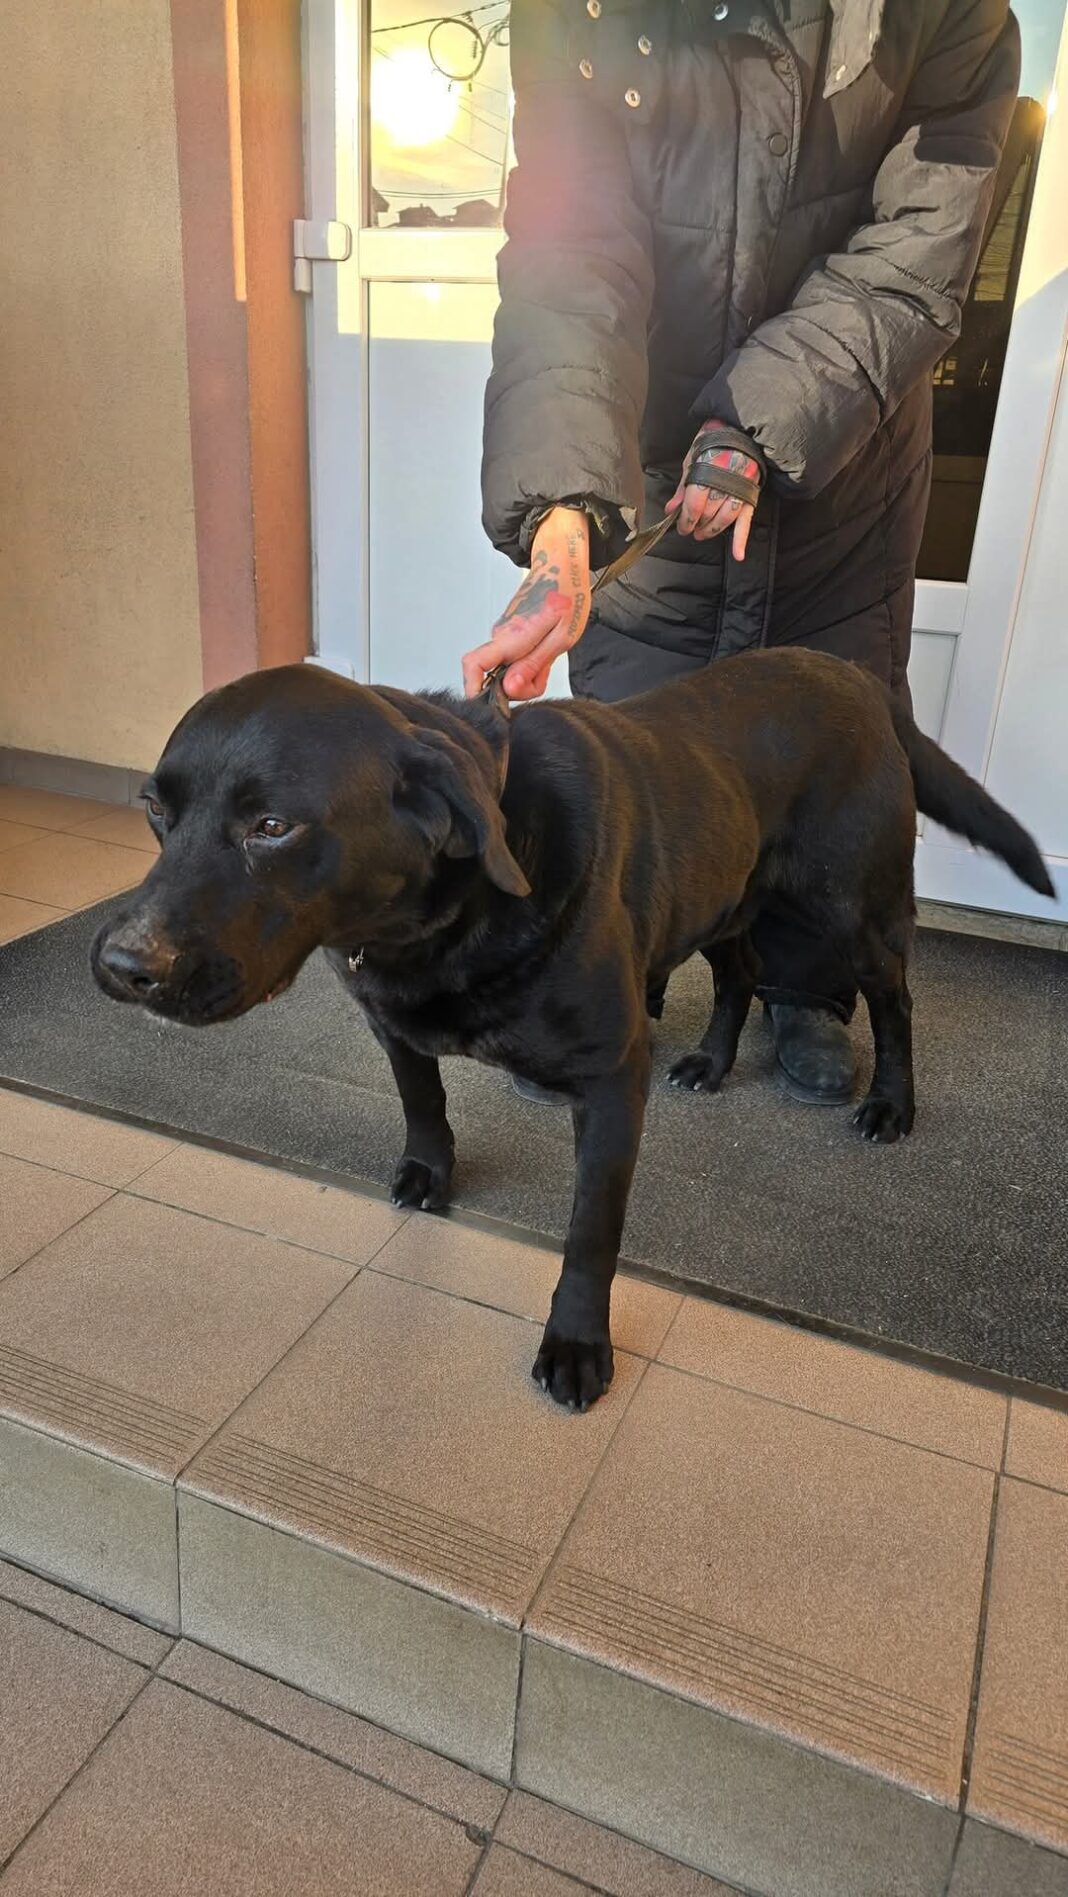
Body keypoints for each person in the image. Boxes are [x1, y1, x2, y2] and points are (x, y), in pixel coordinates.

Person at [467, 0, 1020, 1104]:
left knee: (827, 758)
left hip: (843, 454)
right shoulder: (576, 10)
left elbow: (919, 249)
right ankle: (625, 964)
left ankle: (809, 990)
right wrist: (563, 514)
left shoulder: (943, 13)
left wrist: (761, 424)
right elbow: (569, 256)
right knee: (641, 744)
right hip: (652, 463)